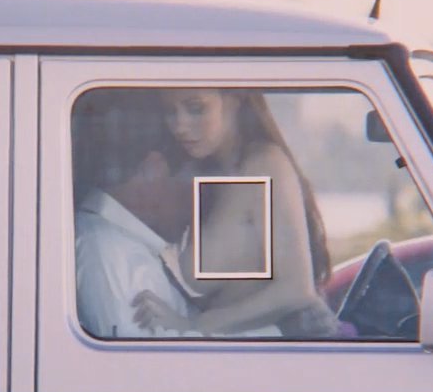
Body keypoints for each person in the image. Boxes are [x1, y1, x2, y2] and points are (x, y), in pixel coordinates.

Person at [132, 88, 340, 337]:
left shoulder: (264, 163)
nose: (180, 126)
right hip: (242, 346)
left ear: (234, 100)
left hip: (297, 341)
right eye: (170, 111)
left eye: (196, 108)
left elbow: (297, 289)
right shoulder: (200, 174)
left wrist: (194, 326)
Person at [73, 90, 195, 338]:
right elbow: (138, 360)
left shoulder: (118, 244)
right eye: (193, 184)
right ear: (154, 167)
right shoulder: (109, 253)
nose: (197, 207)